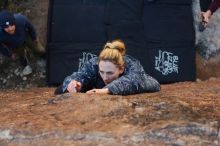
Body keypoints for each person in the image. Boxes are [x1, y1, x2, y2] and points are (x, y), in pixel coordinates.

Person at [55, 40, 160, 95]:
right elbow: (79, 75)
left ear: (121, 69)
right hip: (95, 89)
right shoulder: (94, 64)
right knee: (61, 90)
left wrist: (105, 91)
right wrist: (75, 83)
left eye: (110, 73)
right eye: (102, 72)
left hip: (145, 84)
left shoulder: (132, 65)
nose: (105, 77)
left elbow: (133, 80)